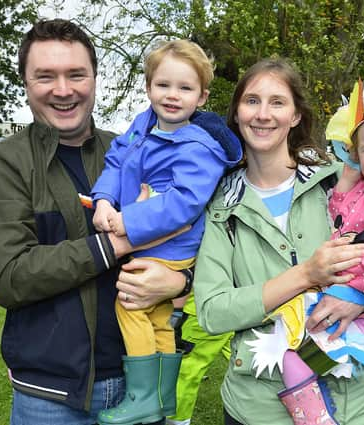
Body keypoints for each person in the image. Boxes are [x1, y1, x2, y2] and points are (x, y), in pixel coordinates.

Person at [194, 57, 364, 425]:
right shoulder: (221, 206)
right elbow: (212, 311)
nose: (263, 114)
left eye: (277, 102)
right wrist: (306, 275)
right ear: (236, 113)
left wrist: (362, 300)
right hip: (263, 404)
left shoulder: (346, 182)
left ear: (296, 116)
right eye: (251, 101)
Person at [0, 19, 193, 425]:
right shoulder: (6, 163)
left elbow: (187, 235)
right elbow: (10, 278)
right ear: (25, 81)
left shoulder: (131, 149)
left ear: (94, 77)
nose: (63, 89)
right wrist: (116, 245)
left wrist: (183, 281)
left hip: (139, 379)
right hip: (51, 398)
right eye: (45, 76)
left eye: (76, 74)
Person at [90, 39, 242, 424]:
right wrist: (105, 200)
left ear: (202, 96)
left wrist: (129, 221)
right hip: (143, 238)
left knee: (129, 306)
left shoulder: (197, 146)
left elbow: (184, 202)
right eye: (164, 85)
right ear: (148, 87)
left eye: (185, 88)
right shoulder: (142, 125)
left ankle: (141, 395)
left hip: (172, 244)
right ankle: (162, 398)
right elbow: (115, 160)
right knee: (158, 318)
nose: (173, 96)